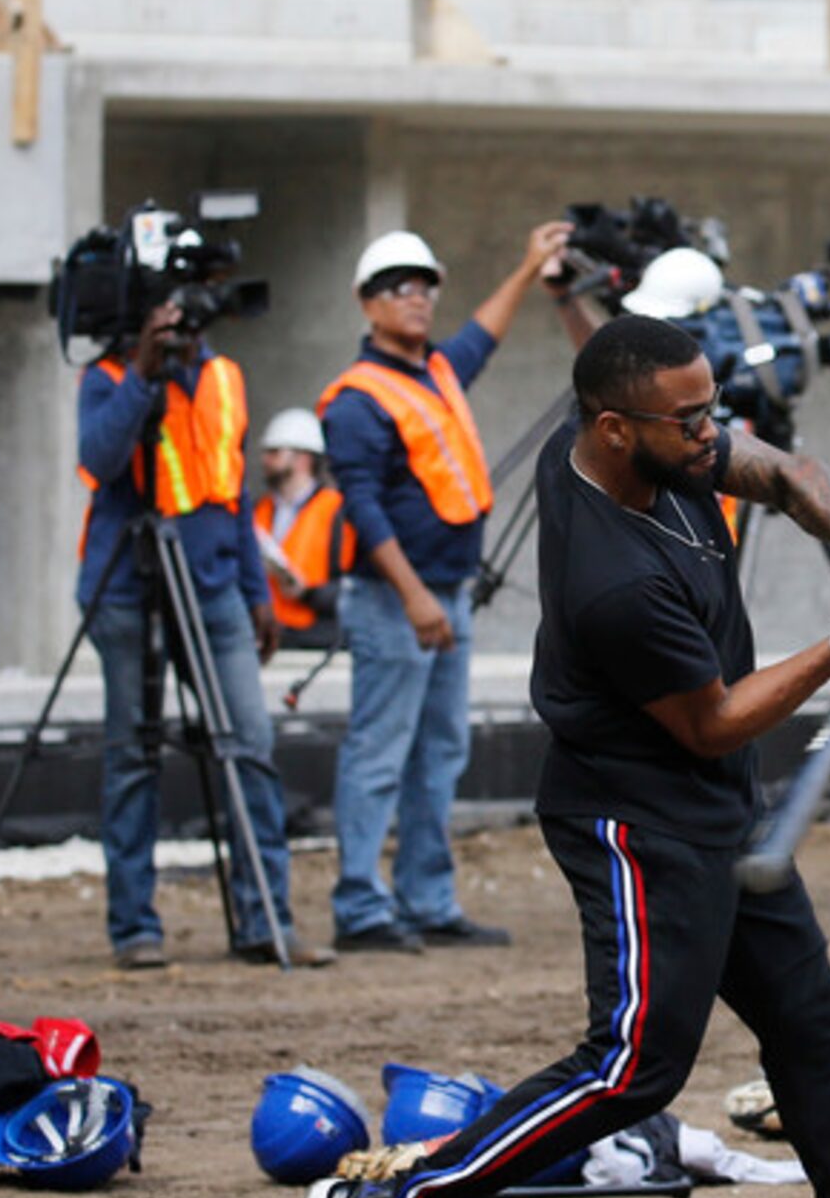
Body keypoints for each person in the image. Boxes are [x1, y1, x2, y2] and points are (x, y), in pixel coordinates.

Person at [304, 314, 830, 1198]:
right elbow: (714, 720)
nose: (712, 432)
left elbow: (786, 468)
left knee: (807, 1030)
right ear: (617, 430)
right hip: (634, 821)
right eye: (691, 418)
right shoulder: (611, 580)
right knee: (632, 1067)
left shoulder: (641, 443)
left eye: (709, 405)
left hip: (719, 809)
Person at [317, 222, 581, 954]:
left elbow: (482, 336)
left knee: (439, 752)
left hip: (445, 594)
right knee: (380, 751)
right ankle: (362, 908)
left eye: (425, 286)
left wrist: (529, 268)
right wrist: (413, 596)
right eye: (399, 288)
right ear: (367, 306)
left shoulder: (432, 372)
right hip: (397, 600)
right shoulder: (355, 399)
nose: (418, 299)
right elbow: (362, 507)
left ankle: (427, 899)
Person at [77, 249, 329, 971]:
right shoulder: (107, 376)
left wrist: (256, 591)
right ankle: (135, 929)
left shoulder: (223, 375)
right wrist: (146, 374)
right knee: (133, 756)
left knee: (249, 745)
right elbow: (98, 459)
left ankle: (266, 923)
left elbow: (229, 490)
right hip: (128, 588)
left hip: (217, 584)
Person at [253, 408, 354, 651]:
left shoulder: (337, 510)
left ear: (303, 459)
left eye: (274, 453)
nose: (265, 460)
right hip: (270, 634)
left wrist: (307, 593)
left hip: (316, 638)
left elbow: (352, 588)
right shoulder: (261, 509)